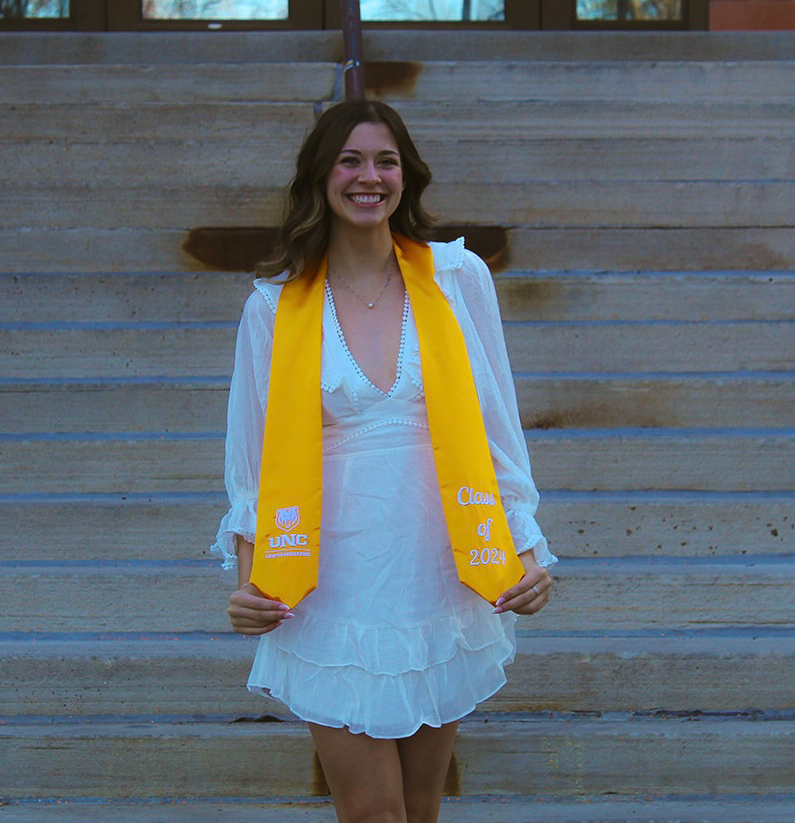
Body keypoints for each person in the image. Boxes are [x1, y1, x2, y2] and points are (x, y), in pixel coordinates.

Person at [211, 100, 556, 823]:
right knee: (373, 812)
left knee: (421, 809)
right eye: (350, 159)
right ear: (320, 177)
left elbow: (496, 425)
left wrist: (523, 548)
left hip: (439, 572)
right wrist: (249, 582)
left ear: (407, 177)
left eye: (385, 160)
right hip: (331, 584)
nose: (369, 176)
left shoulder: (455, 277)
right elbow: (252, 462)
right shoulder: (273, 308)